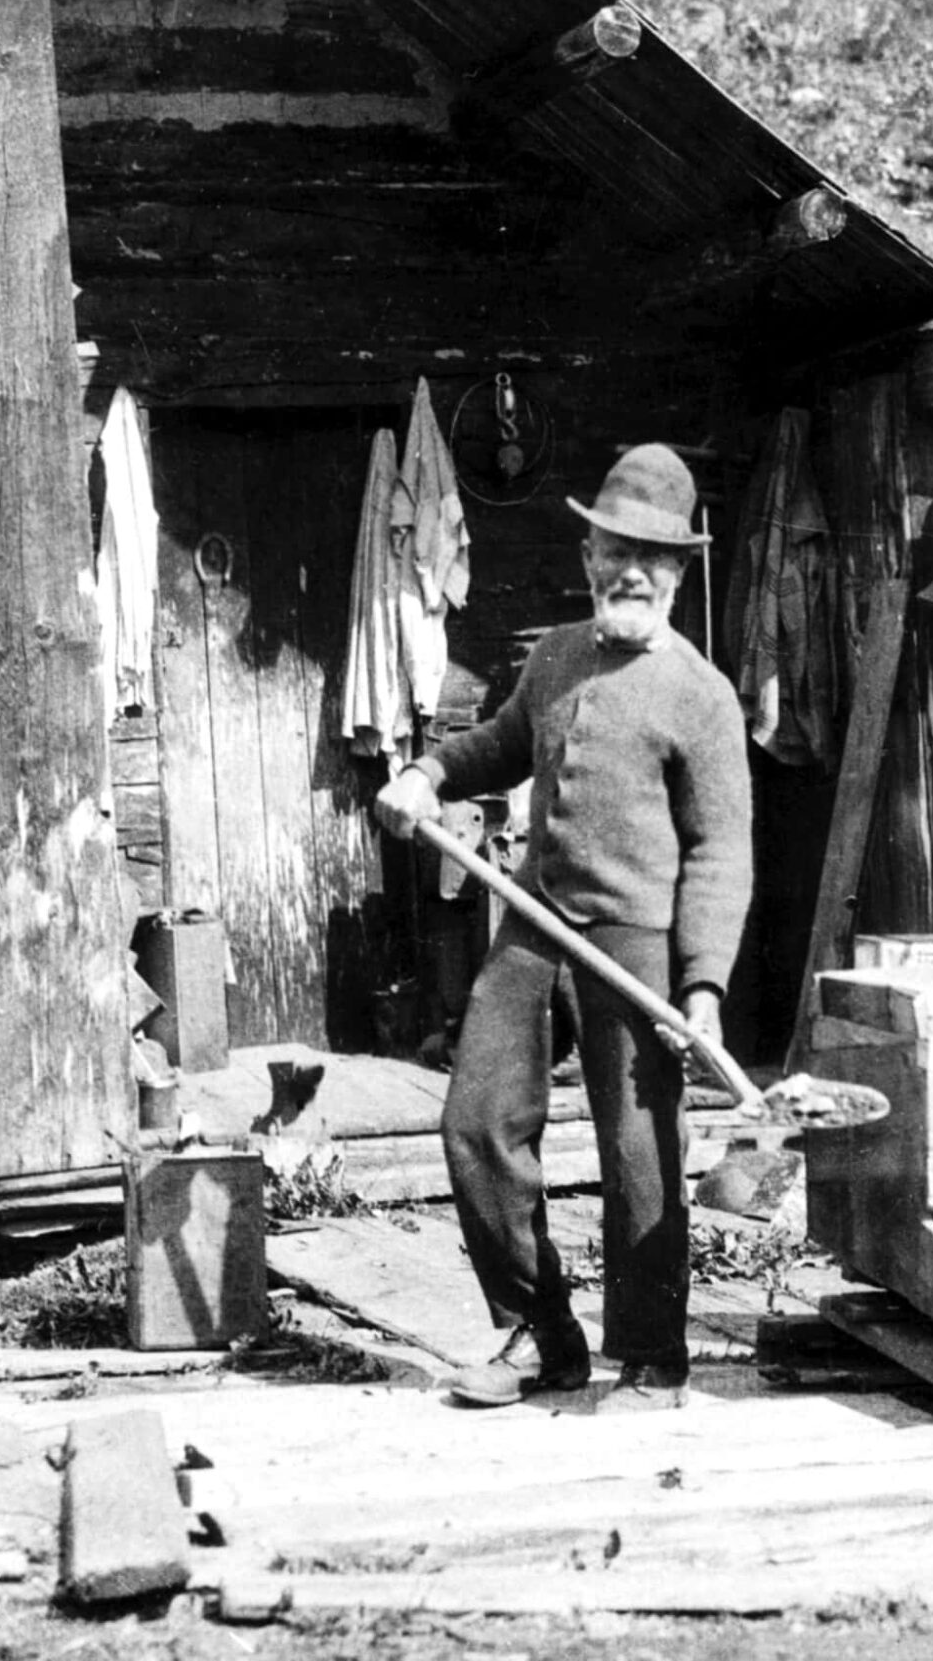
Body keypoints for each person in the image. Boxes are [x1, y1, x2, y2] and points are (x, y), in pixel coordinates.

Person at [375, 444, 752, 1414]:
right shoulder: (554, 658)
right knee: (477, 1121)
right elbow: (500, 745)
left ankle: (653, 1361)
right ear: (587, 553)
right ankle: (542, 1335)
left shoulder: (700, 696)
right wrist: (426, 775)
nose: (631, 569)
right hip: (535, 924)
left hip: (634, 945)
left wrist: (700, 983)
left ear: (678, 572)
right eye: (615, 547)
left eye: (654, 556)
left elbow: (719, 852)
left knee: (639, 1153)